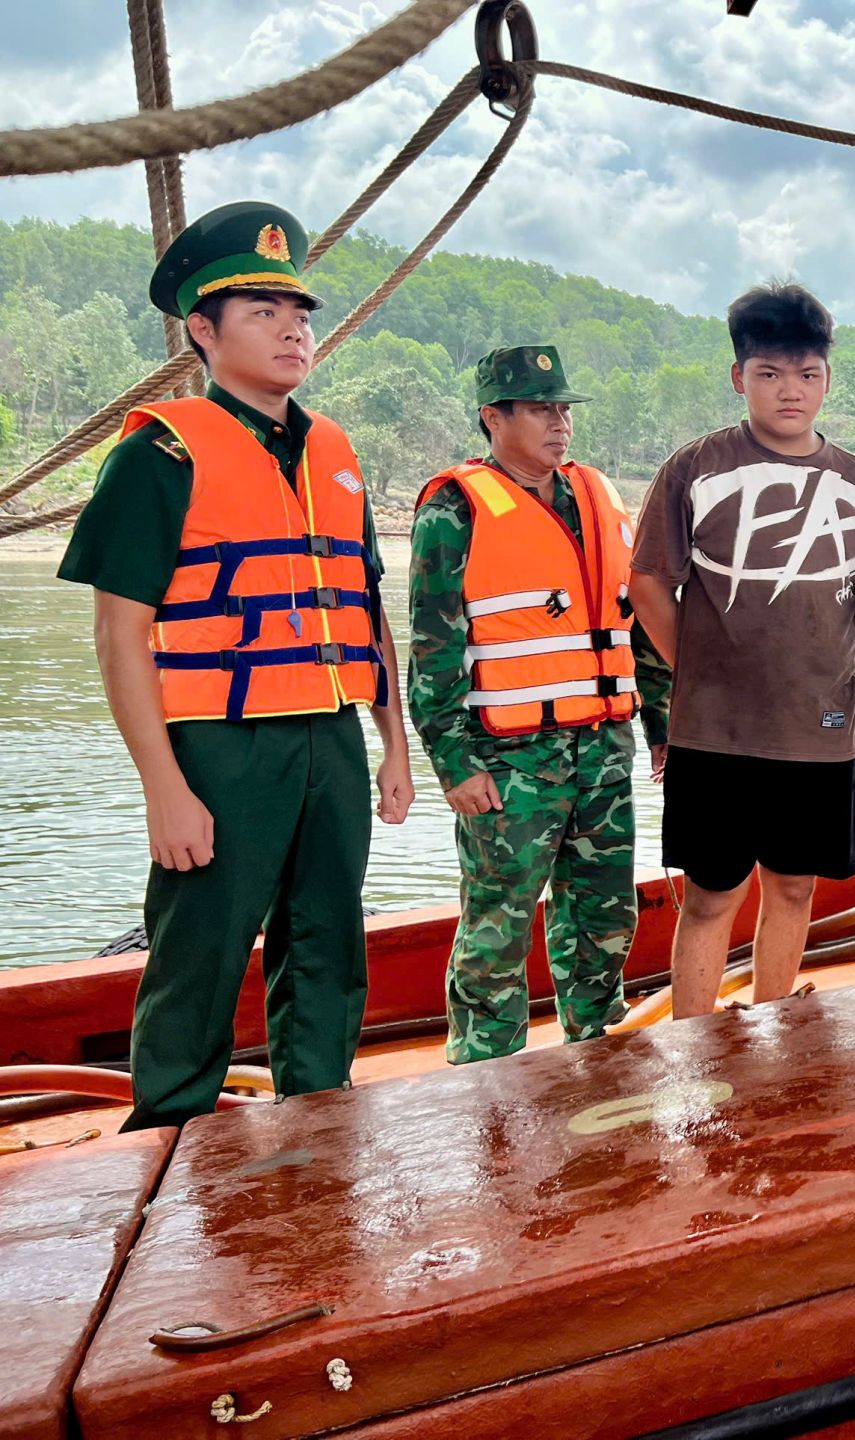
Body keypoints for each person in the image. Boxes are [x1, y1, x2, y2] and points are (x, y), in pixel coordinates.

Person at [57, 201, 413, 1129]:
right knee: (201, 955)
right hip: (221, 743)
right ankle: (165, 1143)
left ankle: (321, 1126)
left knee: (331, 945)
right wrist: (162, 788)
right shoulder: (160, 453)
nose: (294, 327)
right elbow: (118, 635)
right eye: (261, 310)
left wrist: (393, 744)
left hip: (330, 740)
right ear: (203, 332)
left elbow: (364, 606)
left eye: (298, 310)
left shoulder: (334, 452)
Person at [628, 285, 855, 1018]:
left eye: (806, 374)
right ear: (739, 377)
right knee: (712, 895)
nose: (790, 391)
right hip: (716, 734)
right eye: (769, 373)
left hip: (820, 731)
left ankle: (776, 1026)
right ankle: (691, 1041)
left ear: (828, 378)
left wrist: (818, 650)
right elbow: (648, 585)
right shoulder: (695, 467)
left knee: (795, 885)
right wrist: (698, 670)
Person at [410, 345, 661, 1062]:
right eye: (541, 410)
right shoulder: (454, 510)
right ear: (494, 418)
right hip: (508, 761)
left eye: (564, 409)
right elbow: (432, 652)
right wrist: (454, 764)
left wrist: (662, 726)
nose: (560, 424)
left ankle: (597, 1048)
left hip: (604, 753)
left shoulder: (597, 496)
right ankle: (484, 1070)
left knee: (604, 914)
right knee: (497, 923)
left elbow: (631, 620)